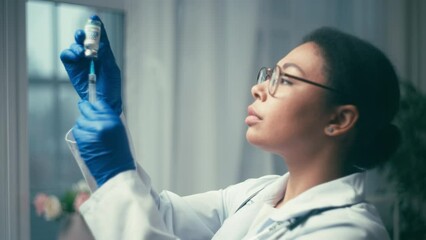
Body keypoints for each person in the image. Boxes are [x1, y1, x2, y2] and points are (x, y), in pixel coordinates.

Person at [60, 15, 400, 239]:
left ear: (339, 120)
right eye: (269, 74)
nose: (259, 88)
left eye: (285, 79)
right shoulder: (258, 194)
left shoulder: (347, 232)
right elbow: (163, 216)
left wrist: (115, 176)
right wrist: (109, 114)